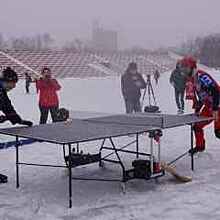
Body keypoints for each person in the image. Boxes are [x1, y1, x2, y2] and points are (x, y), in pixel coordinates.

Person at [181, 56, 220, 155]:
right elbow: (202, 96)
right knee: (197, 126)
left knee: (219, 132)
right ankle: (200, 146)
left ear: (192, 67)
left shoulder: (202, 76)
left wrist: (215, 109)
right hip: (209, 106)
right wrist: (198, 108)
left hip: (217, 104)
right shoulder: (192, 80)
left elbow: (215, 91)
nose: (184, 70)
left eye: (186, 68)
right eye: (183, 68)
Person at [0, 67, 33, 183]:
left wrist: (19, 120)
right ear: (6, 81)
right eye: (12, 84)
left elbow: (7, 107)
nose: (13, 87)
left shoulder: (2, 91)